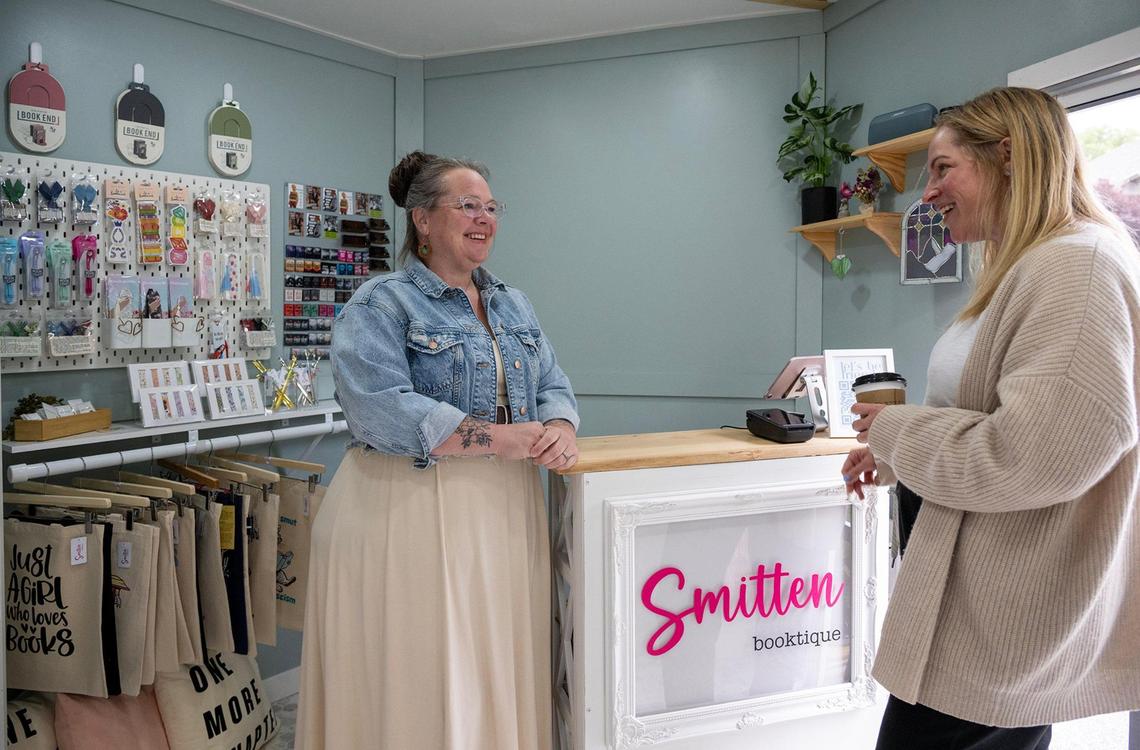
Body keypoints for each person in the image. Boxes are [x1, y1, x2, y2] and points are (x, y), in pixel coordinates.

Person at [841, 87, 1140, 749]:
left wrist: (893, 430)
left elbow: (1037, 456)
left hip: (997, 625)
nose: (926, 194)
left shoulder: (1075, 266)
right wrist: (895, 454)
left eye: (944, 168)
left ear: (1009, 156)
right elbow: (998, 416)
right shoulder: (1034, 265)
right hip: (984, 618)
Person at [296, 151, 580, 750]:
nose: (484, 218)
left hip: (504, 508)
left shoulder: (512, 303)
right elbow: (377, 405)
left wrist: (560, 424)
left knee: (493, 657)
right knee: (421, 665)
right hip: (408, 508)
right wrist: (498, 437)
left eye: (491, 207)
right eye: (467, 205)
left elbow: (552, 379)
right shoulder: (382, 303)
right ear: (423, 220)